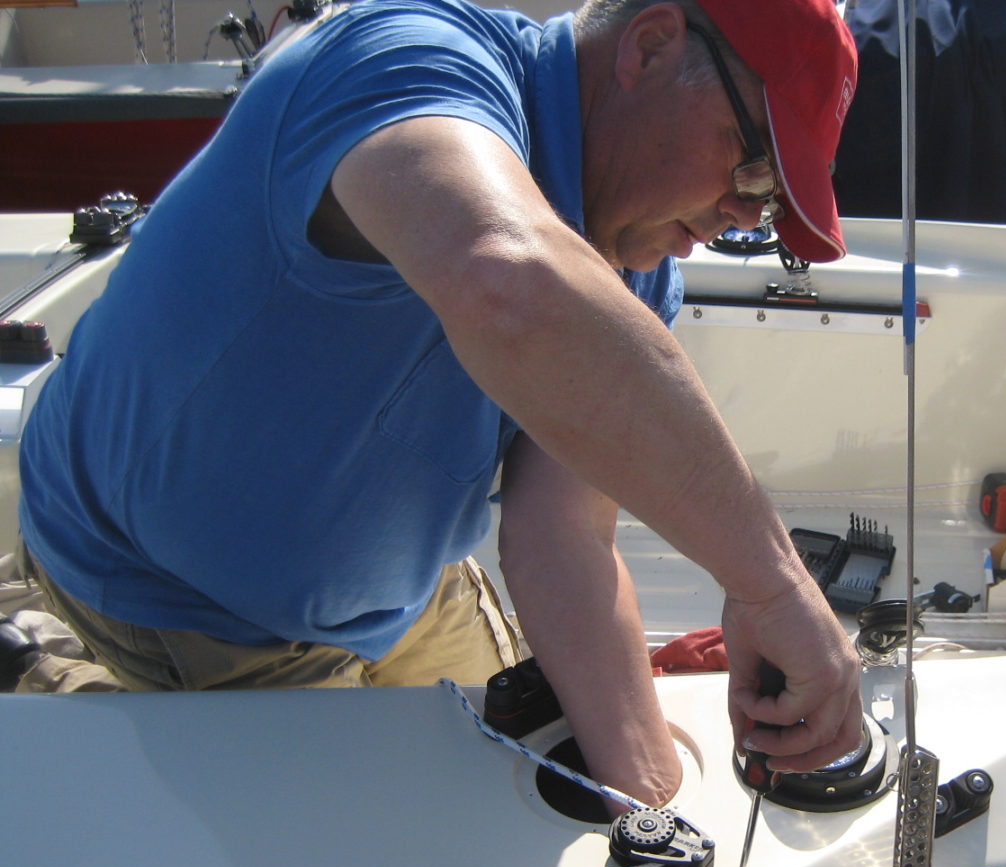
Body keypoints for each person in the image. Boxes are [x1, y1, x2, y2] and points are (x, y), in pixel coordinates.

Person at [15, 0, 862, 812]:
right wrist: (777, 592)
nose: (744, 217)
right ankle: (37, 655)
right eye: (751, 164)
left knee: (531, 786)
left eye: (773, 204)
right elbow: (509, 280)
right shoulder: (405, 62)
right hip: (182, 598)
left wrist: (651, 810)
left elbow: (563, 535)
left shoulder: (635, 264)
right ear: (648, 49)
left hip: (398, 588)